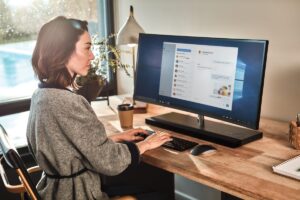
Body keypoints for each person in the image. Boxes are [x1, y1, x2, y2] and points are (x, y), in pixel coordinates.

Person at [26, 16, 172, 200]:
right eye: (87, 48)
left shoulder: (42, 95)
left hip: (55, 192)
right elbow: (108, 162)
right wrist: (145, 144)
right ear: (62, 52)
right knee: (160, 188)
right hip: (78, 194)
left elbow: (70, 145)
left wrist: (114, 138)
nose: (92, 55)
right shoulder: (68, 102)